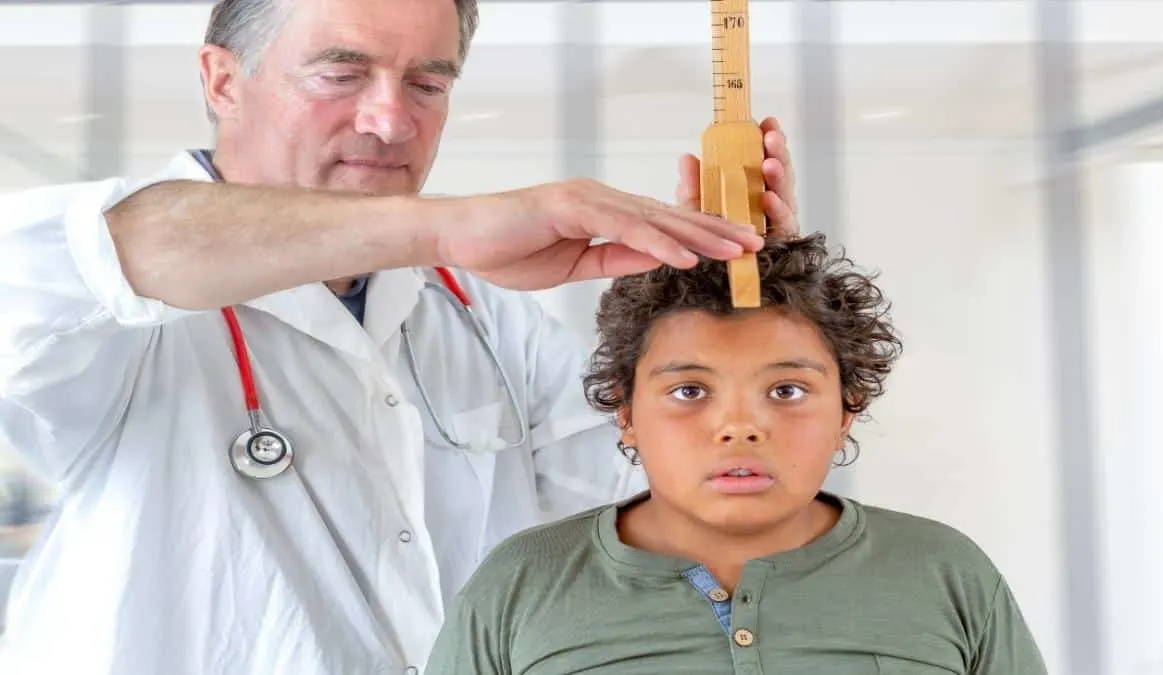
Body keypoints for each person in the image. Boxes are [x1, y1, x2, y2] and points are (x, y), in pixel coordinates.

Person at [0, 0, 801, 672]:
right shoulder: (112, 309)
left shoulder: (485, 316)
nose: (389, 120)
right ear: (221, 80)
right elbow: (121, 245)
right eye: (340, 74)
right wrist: (447, 226)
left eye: (426, 82)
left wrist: (737, 294)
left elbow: (664, 519)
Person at [423, 234, 1049, 675]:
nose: (740, 427)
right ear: (625, 410)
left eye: (787, 391)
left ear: (847, 409)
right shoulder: (520, 584)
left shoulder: (945, 572)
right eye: (689, 391)